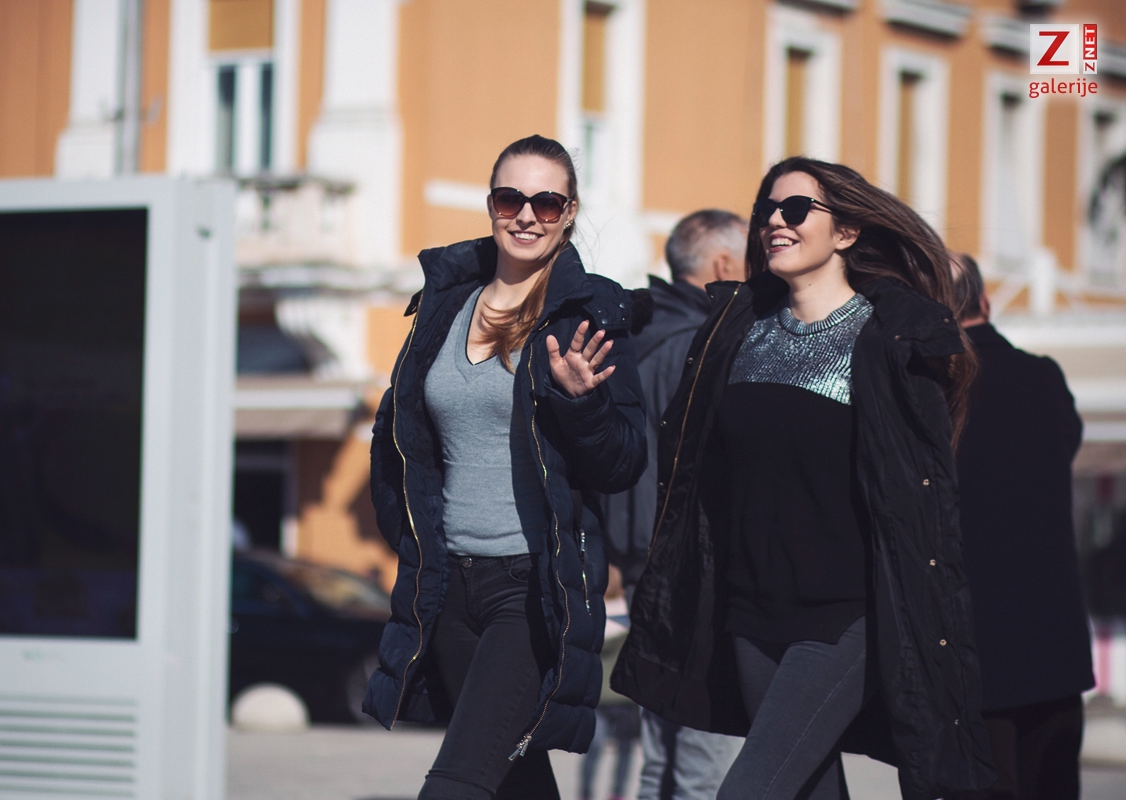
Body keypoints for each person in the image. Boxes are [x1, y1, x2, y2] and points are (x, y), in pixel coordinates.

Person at [612, 156, 998, 800]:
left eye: (795, 209)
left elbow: (922, 499)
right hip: (751, 614)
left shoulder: (887, 339)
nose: (775, 222)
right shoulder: (736, 331)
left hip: (845, 618)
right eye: (765, 210)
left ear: (845, 232)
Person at [364, 134, 649, 800]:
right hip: (448, 586)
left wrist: (583, 405)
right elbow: (400, 439)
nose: (526, 215)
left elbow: (623, 463)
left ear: (568, 213)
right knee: (517, 783)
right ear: (490, 205)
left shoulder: (588, 313)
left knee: (455, 784)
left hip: (529, 590)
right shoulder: (442, 305)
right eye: (509, 198)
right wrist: (408, 535)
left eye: (546, 203)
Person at [602, 209, 747, 800]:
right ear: (723, 264)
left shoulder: (634, 335)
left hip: (640, 555)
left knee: (661, 744)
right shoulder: (702, 342)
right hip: (693, 563)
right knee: (704, 750)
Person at [944, 254, 1094, 800]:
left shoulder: (937, 389)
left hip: (977, 650)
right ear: (985, 302)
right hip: (1055, 641)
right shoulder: (1044, 377)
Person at [579, 566, 641, 800]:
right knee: (625, 750)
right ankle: (618, 794)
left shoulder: (588, 616)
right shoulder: (631, 615)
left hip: (597, 696)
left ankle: (586, 793)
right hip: (624, 696)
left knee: (592, 750)